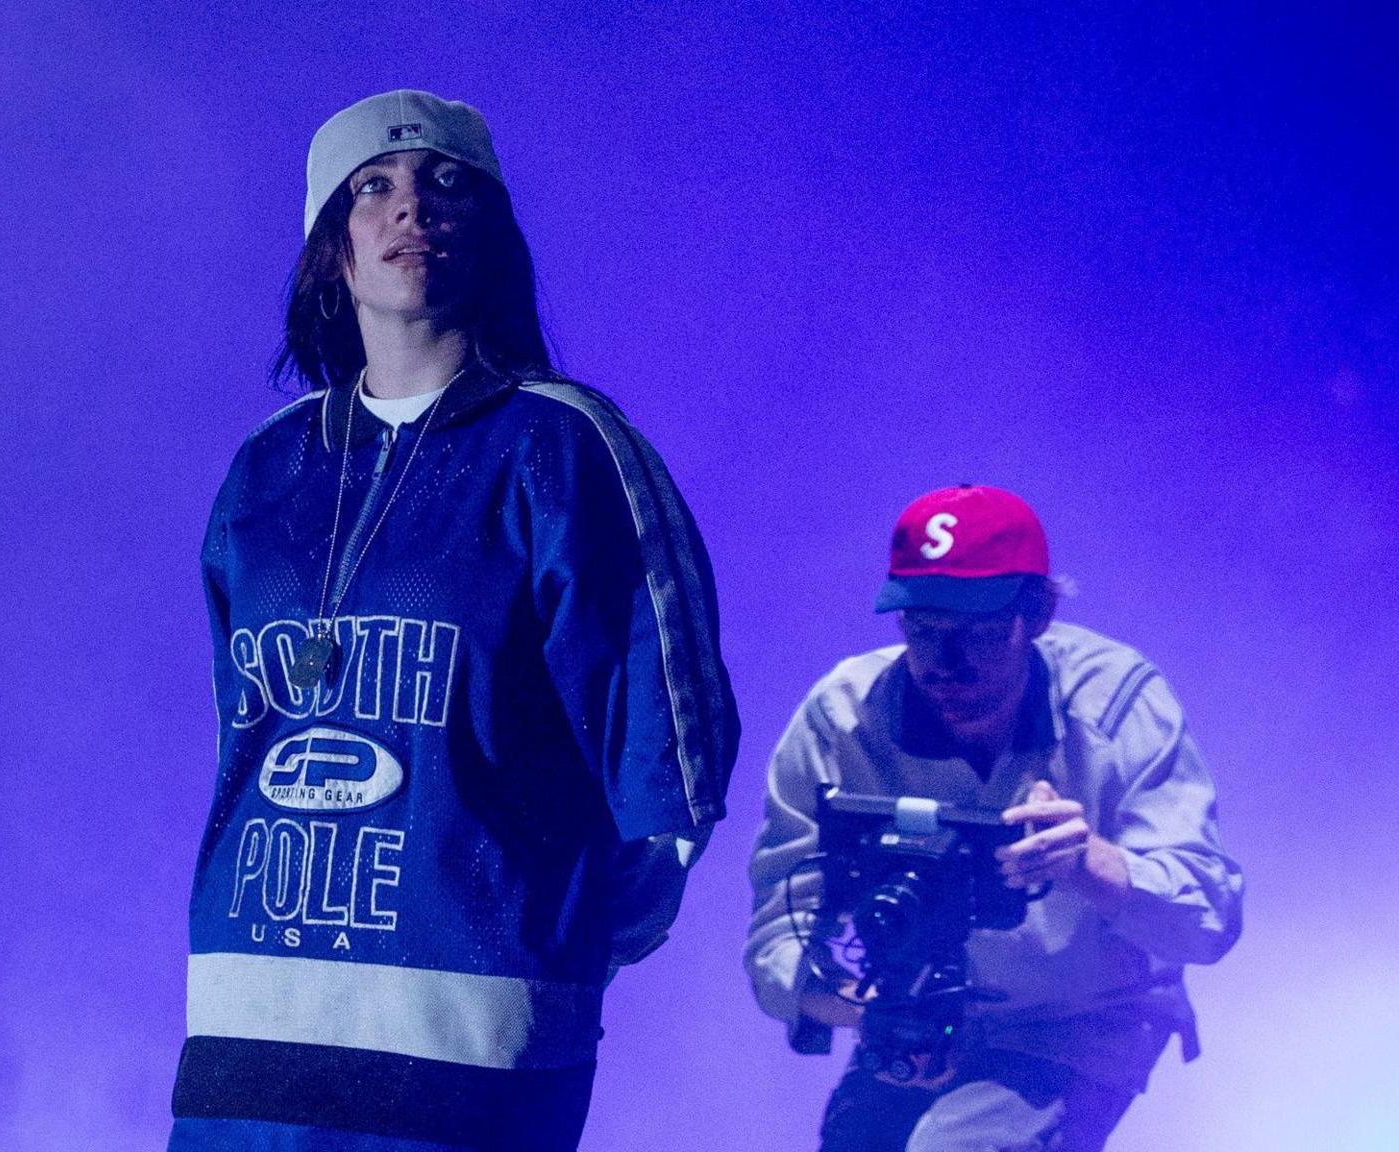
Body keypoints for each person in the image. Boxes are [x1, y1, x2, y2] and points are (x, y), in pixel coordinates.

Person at [170, 90, 740, 1152]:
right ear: (328, 248)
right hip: (249, 1025)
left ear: (491, 233)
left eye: (445, 185)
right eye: (372, 188)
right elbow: (240, 734)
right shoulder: (266, 470)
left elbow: (662, 720)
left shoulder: (560, 446)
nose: (409, 209)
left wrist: (573, 921)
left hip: (466, 1034)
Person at [744, 484, 1244, 1152]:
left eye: (977, 635)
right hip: (911, 1017)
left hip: (1078, 1021)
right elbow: (779, 936)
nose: (946, 667)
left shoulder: (1118, 704)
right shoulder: (840, 722)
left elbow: (1210, 918)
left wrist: (1091, 865)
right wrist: (873, 1009)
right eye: (923, 632)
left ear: (1035, 613)